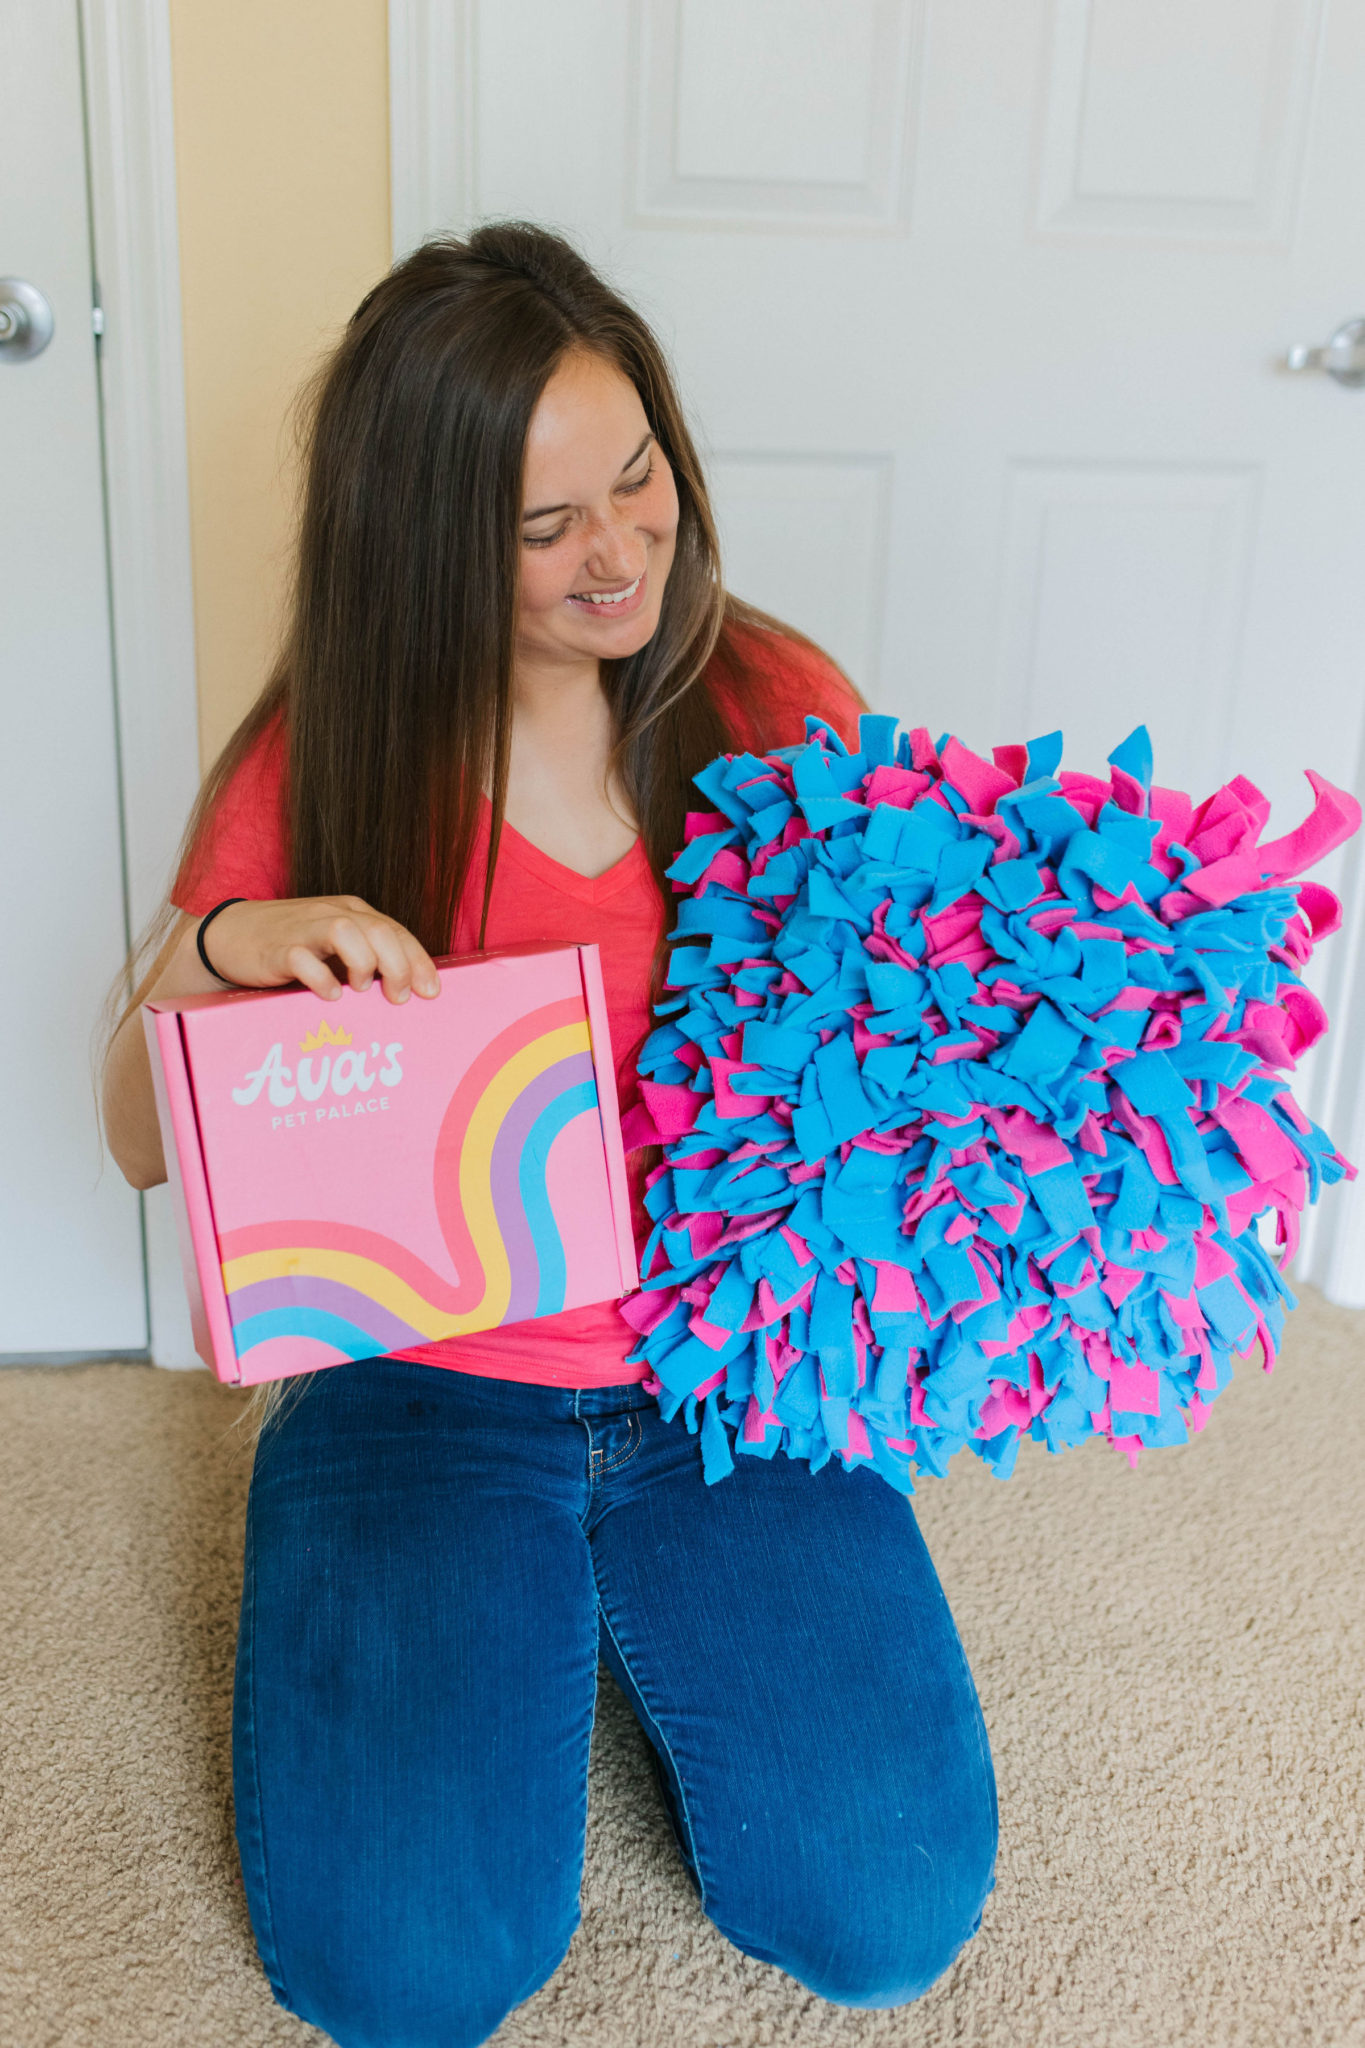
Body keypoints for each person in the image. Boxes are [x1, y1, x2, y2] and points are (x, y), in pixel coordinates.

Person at [99, 223, 997, 2048]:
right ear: (430, 540)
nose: (622, 550)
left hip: (725, 1371)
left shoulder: (776, 700)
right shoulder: (324, 757)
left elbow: (919, 1031)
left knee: (883, 1920)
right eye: (545, 525)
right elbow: (133, 1138)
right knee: (406, 1981)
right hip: (415, 1385)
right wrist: (218, 953)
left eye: (641, 475)